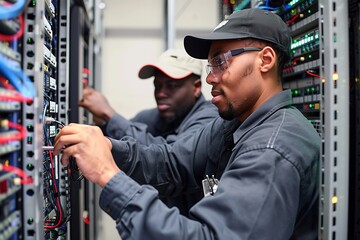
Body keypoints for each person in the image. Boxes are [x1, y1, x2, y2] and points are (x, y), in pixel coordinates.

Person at [54, 8, 321, 240]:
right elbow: (171, 163)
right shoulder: (233, 125)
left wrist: (106, 174)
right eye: (210, 66)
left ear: (265, 60)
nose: (210, 79)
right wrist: (106, 147)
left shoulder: (272, 149)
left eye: (220, 62)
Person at [78, 48, 217, 145]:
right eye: (157, 85)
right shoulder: (149, 117)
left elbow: (168, 155)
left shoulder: (210, 119)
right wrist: (101, 122)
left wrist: (108, 113)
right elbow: (121, 139)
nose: (161, 93)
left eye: (172, 86)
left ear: (196, 87)